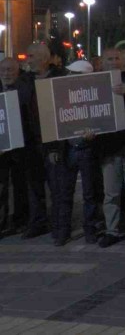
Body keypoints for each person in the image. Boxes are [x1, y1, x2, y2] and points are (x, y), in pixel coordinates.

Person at [94, 47, 125, 250]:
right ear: (102, 63)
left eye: (117, 58)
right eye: (109, 59)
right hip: (108, 147)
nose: (114, 62)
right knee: (111, 193)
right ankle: (112, 230)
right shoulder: (94, 83)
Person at [22, 43, 68, 240]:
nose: (28, 60)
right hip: (31, 143)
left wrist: (56, 146)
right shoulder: (25, 80)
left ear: (43, 58)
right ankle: (38, 223)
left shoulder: (60, 78)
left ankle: (60, 227)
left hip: (52, 143)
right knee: (34, 187)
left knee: (57, 188)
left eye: (31, 56)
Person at [57, 61, 101, 246]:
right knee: (65, 193)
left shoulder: (94, 97)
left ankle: (89, 229)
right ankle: (63, 231)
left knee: (89, 194)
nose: (69, 77)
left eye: (74, 74)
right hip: (69, 149)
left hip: (86, 149)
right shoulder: (63, 95)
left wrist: (94, 134)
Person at [0, 58, 30, 235]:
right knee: (1, 187)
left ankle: (20, 220)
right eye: (3, 70)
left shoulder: (24, 90)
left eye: (10, 70)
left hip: (21, 147)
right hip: (1, 150)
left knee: (20, 185)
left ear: (18, 72)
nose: (6, 74)